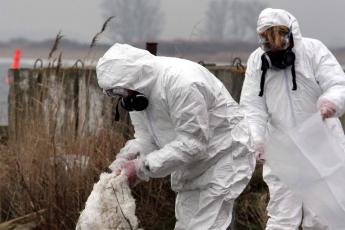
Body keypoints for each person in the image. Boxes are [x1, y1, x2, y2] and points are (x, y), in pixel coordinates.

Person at [96, 43, 255, 230]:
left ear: (134, 77)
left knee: (207, 226)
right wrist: (127, 158)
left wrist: (141, 168)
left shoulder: (181, 83)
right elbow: (148, 139)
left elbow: (193, 143)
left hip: (224, 156)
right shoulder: (137, 95)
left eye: (119, 90)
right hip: (192, 165)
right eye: (113, 93)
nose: (121, 97)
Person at [240, 8, 345, 230]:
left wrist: (331, 102)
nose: (276, 51)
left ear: (291, 37)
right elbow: (252, 106)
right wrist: (256, 139)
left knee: (323, 218)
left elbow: (338, 84)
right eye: (269, 45)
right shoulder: (257, 61)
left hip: (321, 145)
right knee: (282, 217)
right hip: (283, 150)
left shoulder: (313, 51)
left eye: (281, 44)